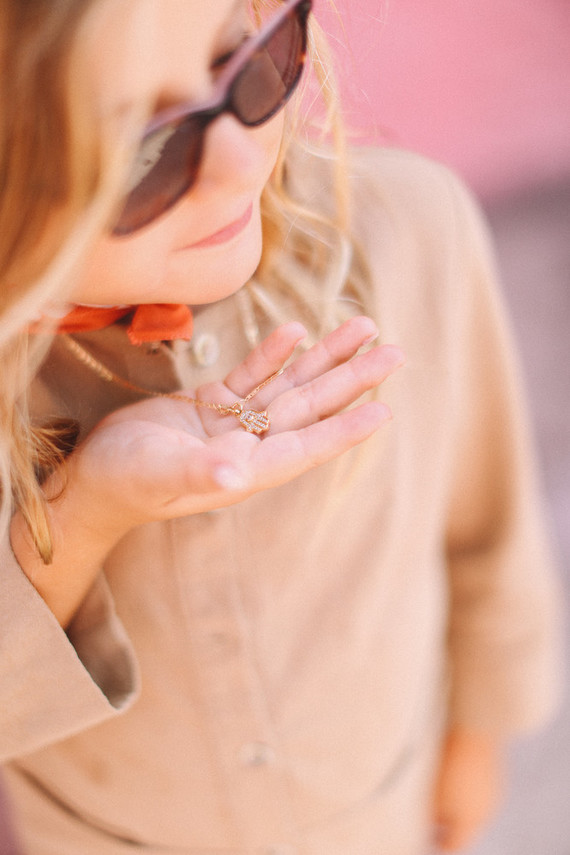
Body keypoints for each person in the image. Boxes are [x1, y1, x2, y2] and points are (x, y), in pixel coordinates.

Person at [0, 1, 560, 853]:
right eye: (142, 151)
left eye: (251, 60)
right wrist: (87, 508)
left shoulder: (414, 232)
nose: (236, 161)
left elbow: (488, 521)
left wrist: (478, 738)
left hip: (378, 817)